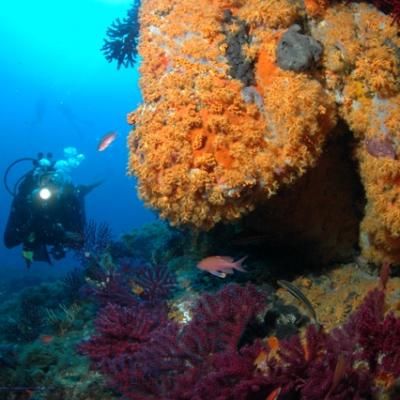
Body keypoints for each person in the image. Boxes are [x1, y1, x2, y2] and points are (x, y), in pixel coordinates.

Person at [3, 149, 99, 267]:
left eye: (55, 180)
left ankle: (84, 189)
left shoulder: (68, 200)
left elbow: (79, 240)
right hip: (37, 238)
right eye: (45, 180)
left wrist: (62, 236)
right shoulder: (23, 201)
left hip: (57, 238)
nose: (50, 185)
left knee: (78, 193)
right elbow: (9, 241)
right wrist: (34, 222)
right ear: (37, 182)